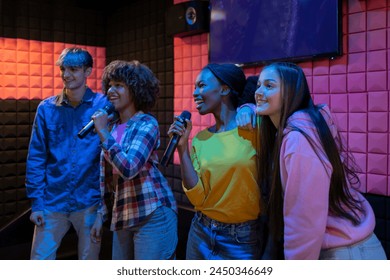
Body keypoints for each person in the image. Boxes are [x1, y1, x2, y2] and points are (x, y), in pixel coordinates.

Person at [237, 61, 387, 260]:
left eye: (269, 85)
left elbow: (304, 220)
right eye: (259, 85)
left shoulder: (299, 138)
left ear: (291, 92)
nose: (259, 91)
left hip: (348, 253)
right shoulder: (305, 124)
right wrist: (246, 108)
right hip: (348, 248)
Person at [167, 63, 264, 260]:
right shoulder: (201, 138)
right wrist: (182, 147)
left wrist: (250, 107)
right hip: (200, 231)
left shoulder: (254, 126)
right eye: (195, 87)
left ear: (225, 88)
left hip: (241, 239)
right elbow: (197, 198)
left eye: (201, 85)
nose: (195, 93)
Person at [25, 47, 111, 259]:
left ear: (88, 71)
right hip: (52, 201)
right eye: (63, 69)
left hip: (90, 202)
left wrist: (103, 208)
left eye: (73, 69)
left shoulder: (104, 105)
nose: (66, 75)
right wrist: (36, 203)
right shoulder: (46, 108)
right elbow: (36, 156)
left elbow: (113, 153)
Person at [90, 60, 178, 260]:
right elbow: (108, 179)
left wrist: (102, 132)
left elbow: (129, 168)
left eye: (119, 85)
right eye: (110, 85)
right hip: (123, 215)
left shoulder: (147, 123)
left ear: (136, 90)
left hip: (152, 213)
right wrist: (100, 214)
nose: (111, 90)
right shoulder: (111, 126)